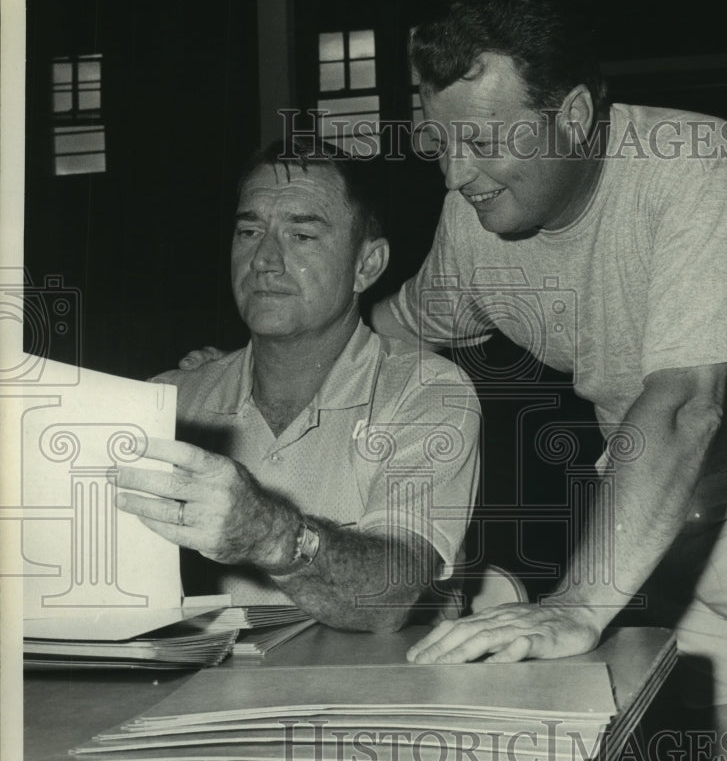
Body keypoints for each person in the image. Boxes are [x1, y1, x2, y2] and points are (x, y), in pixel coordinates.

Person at [366, 0, 727, 761]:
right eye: (440, 140)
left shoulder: (693, 163)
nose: (458, 173)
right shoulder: (473, 222)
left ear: (575, 115)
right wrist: (251, 358)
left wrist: (577, 603)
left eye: (484, 140)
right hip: (658, 517)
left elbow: (682, 408)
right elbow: (397, 330)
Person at [115, 139, 480, 632]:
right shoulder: (169, 400)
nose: (264, 259)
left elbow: (390, 597)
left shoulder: (426, 393)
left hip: (368, 700)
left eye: (302, 236)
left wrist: (270, 534)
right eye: (248, 231)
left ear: (366, 265)